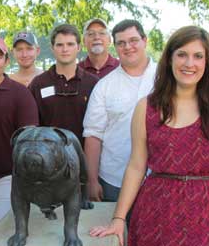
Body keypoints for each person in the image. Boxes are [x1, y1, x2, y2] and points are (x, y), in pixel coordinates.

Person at [89, 25, 209, 246]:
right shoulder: (146, 107)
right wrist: (118, 218)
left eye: (198, 56)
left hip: (204, 213)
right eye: (182, 54)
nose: (189, 63)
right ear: (170, 59)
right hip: (154, 213)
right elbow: (136, 166)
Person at [83, 19, 157, 202]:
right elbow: (93, 135)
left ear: (144, 40)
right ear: (115, 46)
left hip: (159, 179)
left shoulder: (166, 78)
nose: (128, 47)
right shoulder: (104, 86)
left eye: (133, 40)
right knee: (114, 230)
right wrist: (92, 181)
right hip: (114, 180)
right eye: (121, 43)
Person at [0, 36, 39, 228]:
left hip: (5, 179)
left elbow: (29, 143)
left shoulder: (20, 94)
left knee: (3, 234)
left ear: (6, 61)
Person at [29, 24, 98, 144]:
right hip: (47, 158)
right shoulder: (38, 84)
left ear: (79, 47)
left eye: (70, 44)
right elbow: (32, 127)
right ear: (52, 48)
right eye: (59, 45)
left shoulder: (93, 83)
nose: (65, 49)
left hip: (83, 157)